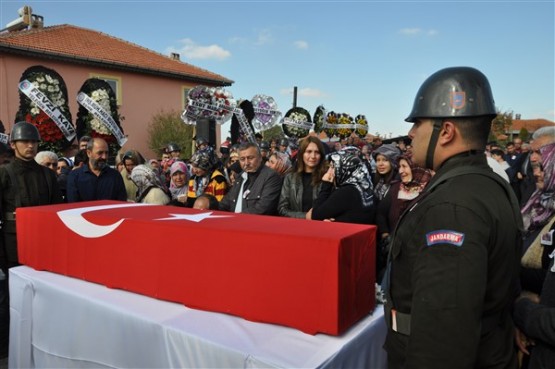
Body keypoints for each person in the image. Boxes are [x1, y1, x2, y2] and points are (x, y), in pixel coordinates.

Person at [383, 67, 523, 369]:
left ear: (446, 131)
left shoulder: (452, 206)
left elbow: (443, 335)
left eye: (417, 123)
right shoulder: (482, 184)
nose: (410, 134)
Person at [0, 122, 63, 357]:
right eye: (25, 141)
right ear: (14, 144)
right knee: (13, 299)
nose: (30, 145)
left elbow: (57, 212)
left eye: (34, 141)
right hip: (12, 245)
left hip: (43, 246)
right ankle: (11, 346)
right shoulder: (4, 173)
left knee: (43, 297)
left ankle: (43, 342)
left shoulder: (47, 174)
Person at [513, 127, 555, 369]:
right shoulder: (536, 204)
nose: (533, 160)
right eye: (531, 153)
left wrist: (523, 312)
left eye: (540, 152)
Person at [375, 155, 433, 282]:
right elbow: (380, 213)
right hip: (394, 254)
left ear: (416, 168)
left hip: (417, 257)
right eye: (399, 167)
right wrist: (386, 235)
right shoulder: (396, 188)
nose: (400, 171)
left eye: (404, 167)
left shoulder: (430, 192)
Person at [308, 147, 375, 225]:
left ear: (344, 167)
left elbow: (314, 216)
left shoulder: (347, 192)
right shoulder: (365, 187)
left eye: (333, 167)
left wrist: (326, 185)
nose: (329, 171)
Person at [219, 142, 283, 215]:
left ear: (260, 158)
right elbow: (226, 202)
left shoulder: (271, 177)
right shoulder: (240, 176)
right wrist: (209, 204)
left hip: (253, 224)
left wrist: (236, 218)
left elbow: (263, 208)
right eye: (242, 159)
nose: (246, 163)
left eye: (250, 158)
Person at [278, 136, 326, 219]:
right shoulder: (290, 178)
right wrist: (305, 216)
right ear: (302, 154)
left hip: (321, 228)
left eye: (317, 152)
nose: (313, 156)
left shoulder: (327, 178)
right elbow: (282, 209)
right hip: (296, 228)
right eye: (309, 151)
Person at [66, 138, 127, 202]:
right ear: (89, 153)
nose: (104, 157)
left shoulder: (115, 176)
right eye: (100, 153)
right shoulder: (75, 176)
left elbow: (121, 203)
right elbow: (73, 205)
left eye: (106, 153)